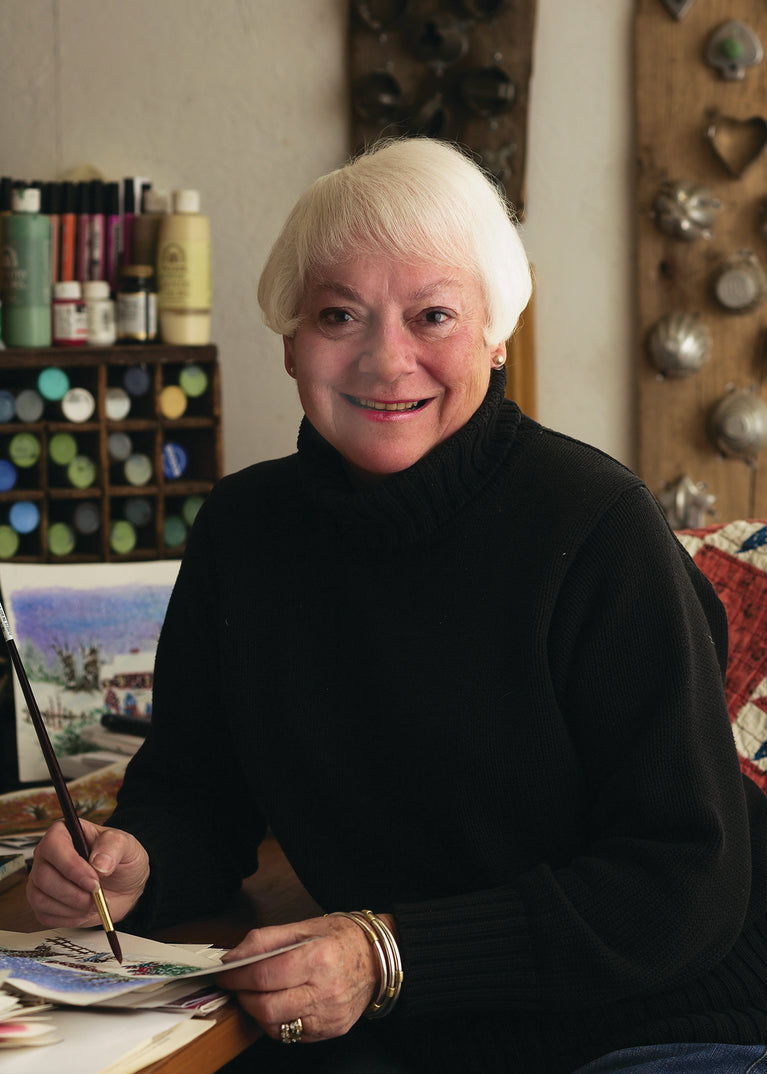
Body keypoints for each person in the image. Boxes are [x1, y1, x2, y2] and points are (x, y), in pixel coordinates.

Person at [26, 137, 767, 1074]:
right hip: (404, 1024)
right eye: (339, 313)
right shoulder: (244, 532)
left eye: (434, 315)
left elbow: (683, 886)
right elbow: (196, 793)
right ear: (290, 337)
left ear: (496, 336)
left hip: (660, 1022)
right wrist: (137, 862)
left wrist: (388, 954)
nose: (386, 359)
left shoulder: (596, 527)